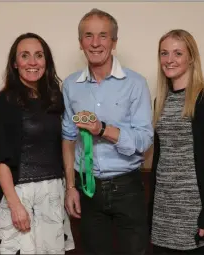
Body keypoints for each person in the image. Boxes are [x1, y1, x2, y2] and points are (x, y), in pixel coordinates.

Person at [62, 8, 153, 255]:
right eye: (88, 36)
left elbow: (144, 140)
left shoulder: (136, 83)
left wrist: (102, 129)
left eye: (103, 36)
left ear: (114, 41)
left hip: (128, 188)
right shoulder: (70, 85)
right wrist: (71, 187)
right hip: (87, 189)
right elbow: (69, 138)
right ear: (80, 42)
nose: (95, 43)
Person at [0, 32, 75, 254]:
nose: (33, 62)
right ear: (15, 63)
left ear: (47, 61)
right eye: (25, 56)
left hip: (53, 194)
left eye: (39, 55)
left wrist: (68, 188)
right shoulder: (4, 101)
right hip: (19, 195)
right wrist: (15, 206)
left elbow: (65, 144)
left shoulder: (56, 98)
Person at [148, 29, 204, 255]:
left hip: (194, 210)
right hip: (163, 209)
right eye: (164, 53)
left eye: (178, 53)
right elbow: (160, 156)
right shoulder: (160, 100)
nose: (169, 60)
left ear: (191, 57)